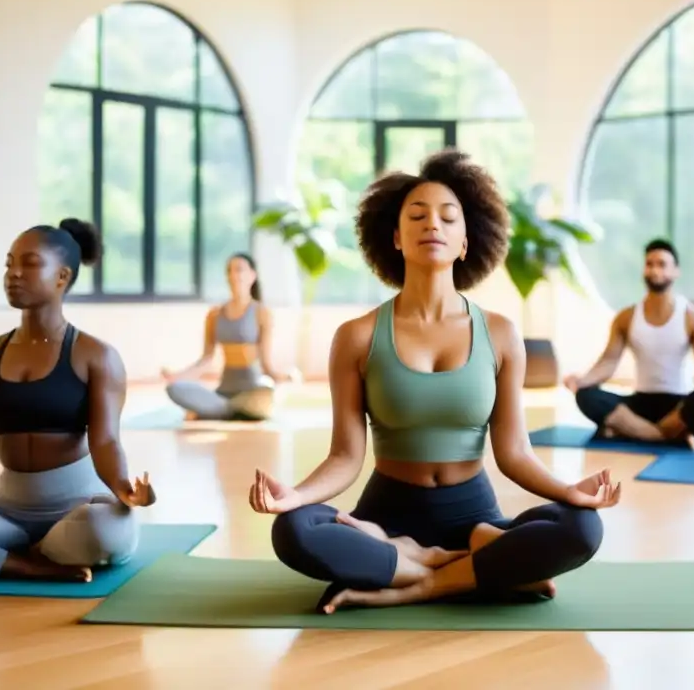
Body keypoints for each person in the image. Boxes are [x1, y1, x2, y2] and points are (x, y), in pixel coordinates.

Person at [249, 149, 618, 614]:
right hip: (386, 510)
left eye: (448, 217)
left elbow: (514, 452)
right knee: (292, 530)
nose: (433, 225)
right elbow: (345, 455)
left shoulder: (501, 334)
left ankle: (420, 578)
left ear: (466, 241)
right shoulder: (357, 337)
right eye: (417, 216)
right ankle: (467, 567)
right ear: (396, 238)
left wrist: (569, 492)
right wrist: (295, 496)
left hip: (474, 515)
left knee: (583, 528)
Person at [0, 219, 154, 582]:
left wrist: (124, 487)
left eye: (29, 263)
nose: (13, 273)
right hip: (5, 511)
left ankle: (25, 552)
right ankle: (28, 563)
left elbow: (106, 440)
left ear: (62, 276)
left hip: (78, 508)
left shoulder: (96, 356)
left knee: (104, 531)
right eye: (9, 263)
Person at [563, 239, 694, 448]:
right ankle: (665, 436)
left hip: (678, 407)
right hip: (639, 403)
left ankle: (631, 431)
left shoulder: (692, 316)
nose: (655, 270)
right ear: (644, 270)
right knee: (586, 396)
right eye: (650, 264)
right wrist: (581, 381)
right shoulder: (626, 317)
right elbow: (608, 362)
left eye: (662, 264)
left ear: (675, 271)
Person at [162, 253, 290, 421]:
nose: (233, 275)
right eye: (229, 270)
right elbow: (206, 359)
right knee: (175, 389)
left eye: (239, 270)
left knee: (265, 391)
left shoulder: (262, 313)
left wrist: (284, 377)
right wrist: (178, 376)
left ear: (252, 276)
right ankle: (230, 410)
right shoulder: (214, 315)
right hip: (224, 392)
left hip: (252, 391)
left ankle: (219, 411)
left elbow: (266, 365)